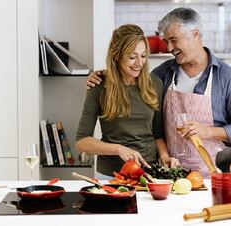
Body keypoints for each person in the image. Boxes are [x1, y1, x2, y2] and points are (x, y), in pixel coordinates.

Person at [86, 8, 231, 177]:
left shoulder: (228, 79)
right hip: (169, 175)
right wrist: (102, 76)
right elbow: (150, 121)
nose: (169, 48)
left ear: (195, 34)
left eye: (174, 40)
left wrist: (208, 131)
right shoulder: (162, 74)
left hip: (212, 176)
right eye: (166, 41)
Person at [76, 24, 178, 180]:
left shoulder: (154, 84)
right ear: (117, 56)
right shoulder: (99, 85)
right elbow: (82, 141)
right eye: (132, 57)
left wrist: (164, 156)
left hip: (148, 171)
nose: (139, 62)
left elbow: (157, 134)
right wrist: (118, 149)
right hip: (111, 174)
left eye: (143, 55)